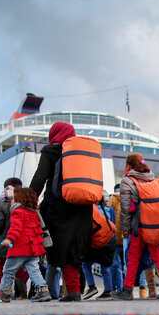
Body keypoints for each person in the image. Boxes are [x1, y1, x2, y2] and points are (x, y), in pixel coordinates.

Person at [29, 122, 93, 302]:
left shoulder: (52, 151)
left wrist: (28, 199)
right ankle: (74, 291)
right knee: (74, 248)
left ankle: (59, 290)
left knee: (59, 247)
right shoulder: (81, 154)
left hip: (59, 206)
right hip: (82, 207)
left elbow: (40, 177)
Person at [113, 154, 159, 300]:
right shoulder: (151, 176)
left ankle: (128, 289)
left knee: (133, 256)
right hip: (152, 224)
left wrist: (124, 229)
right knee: (157, 253)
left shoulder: (127, 180)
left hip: (139, 225)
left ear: (128, 166)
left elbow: (125, 208)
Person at [0, 187, 51, 302]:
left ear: (20, 200)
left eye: (14, 198)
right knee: (34, 270)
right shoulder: (34, 212)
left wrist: (10, 239)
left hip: (19, 248)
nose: (12, 201)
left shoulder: (17, 212)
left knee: (8, 270)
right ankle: (43, 290)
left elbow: (15, 228)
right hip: (33, 248)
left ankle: (4, 291)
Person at [0, 177, 22, 288]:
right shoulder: (24, 202)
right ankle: (21, 293)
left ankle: (2, 290)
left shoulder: (2, 204)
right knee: (21, 268)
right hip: (20, 242)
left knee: (2, 268)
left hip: (5, 242)